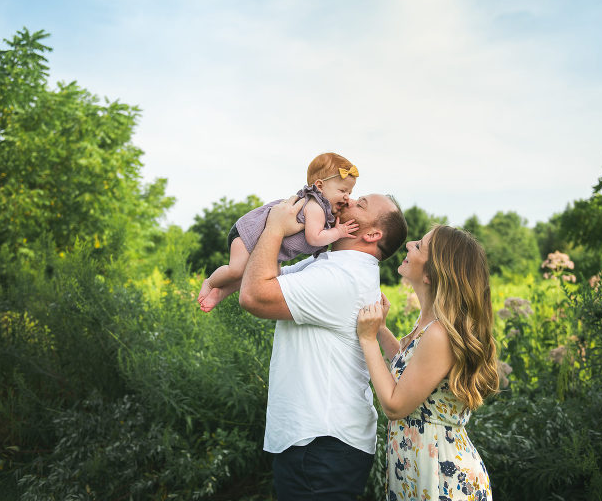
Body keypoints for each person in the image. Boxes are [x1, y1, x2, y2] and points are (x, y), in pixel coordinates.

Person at [239, 192, 408, 500]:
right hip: (316, 442)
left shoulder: (342, 277)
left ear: (371, 234)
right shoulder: (328, 265)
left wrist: (275, 228)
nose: (348, 200)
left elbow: (255, 296)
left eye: (361, 204)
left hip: (322, 445)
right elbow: (262, 276)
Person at [356, 225, 499, 501]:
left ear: (432, 274)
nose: (409, 244)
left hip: (441, 476)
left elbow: (396, 405)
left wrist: (368, 340)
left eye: (419, 246)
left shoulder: (438, 333)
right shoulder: (430, 326)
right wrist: (381, 330)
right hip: (421, 467)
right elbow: (414, 375)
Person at [197, 152, 360, 312]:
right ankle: (210, 283)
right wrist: (339, 232)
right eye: (342, 191)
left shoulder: (324, 210)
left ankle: (220, 293)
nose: (347, 197)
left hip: (266, 247)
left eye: (350, 193)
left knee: (266, 274)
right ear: (319, 186)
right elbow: (314, 238)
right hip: (248, 235)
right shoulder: (316, 207)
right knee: (236, 270)